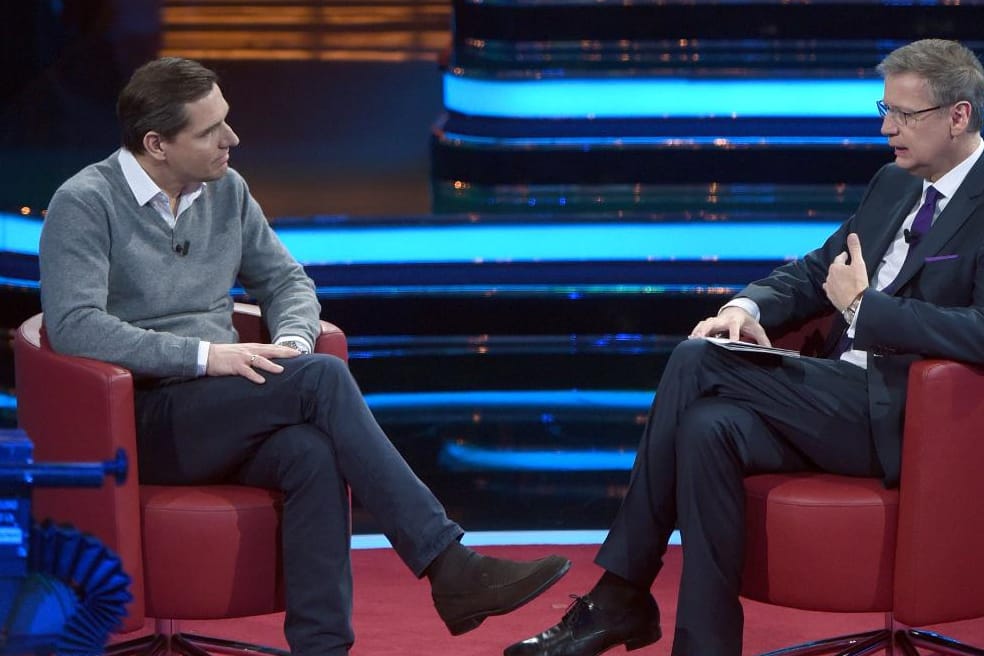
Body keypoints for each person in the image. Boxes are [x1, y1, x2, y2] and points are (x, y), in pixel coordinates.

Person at [37, 56, 570, 656]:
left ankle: (323, 648)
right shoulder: (85, 203)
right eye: (211, 130)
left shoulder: (226, 192)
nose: (232, 139)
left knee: (309, 452)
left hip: (223, 409)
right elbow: (76, 327)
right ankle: (450, 565)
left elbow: (288, 282)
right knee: (322, 381)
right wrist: (203, 355)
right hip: (141, 419)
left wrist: (291, 344)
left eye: (227, 121)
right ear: (156, 144)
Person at [504, 38, 984, 656]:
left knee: (696, 359)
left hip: (916, 423)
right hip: (840, 400)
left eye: (904, 114)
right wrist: (743, 307)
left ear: (958, 115)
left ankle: (622, 592)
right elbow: (817, 271)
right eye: (883, 108)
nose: (887, 127)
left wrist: (868, 310)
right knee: (708, 426)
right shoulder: (894, 183)